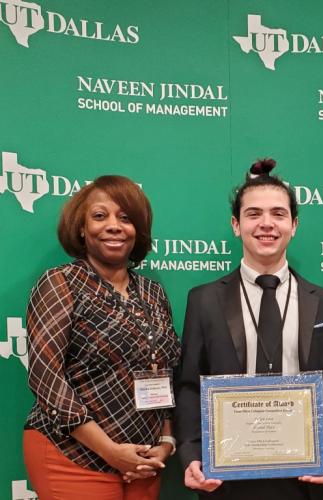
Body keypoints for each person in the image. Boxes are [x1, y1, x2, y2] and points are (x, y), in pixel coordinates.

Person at [174, 159, 323, 500]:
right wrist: (191, 453)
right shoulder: (203, 301)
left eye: (278, 214)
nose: (266, 224)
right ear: (235, 224)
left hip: (304, 475)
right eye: (253, 214)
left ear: (294, 224)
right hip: (225, 477)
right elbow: (189, 385)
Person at [24, 175, 181, 500]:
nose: (114, 226)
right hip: (71, 453)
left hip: (143, 458)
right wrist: (110, 450)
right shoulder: (60, 283)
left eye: (125, 218)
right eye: (100, 216)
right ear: (81, 228)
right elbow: (45, 377)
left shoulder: (152, 292)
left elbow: (162, 374)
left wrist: (166, 442)